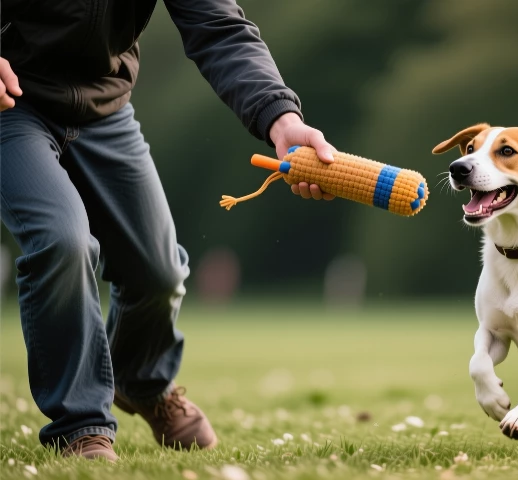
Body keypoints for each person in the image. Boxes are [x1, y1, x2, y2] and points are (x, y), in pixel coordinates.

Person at [0, 0, 335, 461]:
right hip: (11, 105)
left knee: (158, 271)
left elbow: (219, 27)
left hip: (103, 106)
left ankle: (142, 380)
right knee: (63, 241)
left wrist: (282, 118)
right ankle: (81, 426)